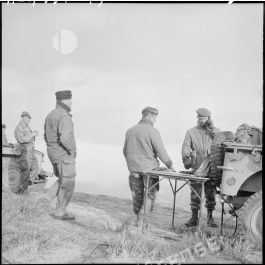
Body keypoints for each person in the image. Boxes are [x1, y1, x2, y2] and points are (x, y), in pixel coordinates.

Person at [123, 106, 175, 227]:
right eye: (155, 117)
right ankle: (142, 222)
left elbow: (125, 151)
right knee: (150, 194)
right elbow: (160, 151)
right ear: (151, 116)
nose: (155, 120)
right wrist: (170, 165)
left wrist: (133, 163)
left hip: (133, 169)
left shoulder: (130, 130)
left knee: (137, 195)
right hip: (149, 170)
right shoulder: (153, 131)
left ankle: (136, 220)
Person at [181, 107, 220, 227]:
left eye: (204, 118)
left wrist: (215, 135)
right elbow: (185, 147)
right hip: (197, 168)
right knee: (195, 193)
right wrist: (186, 160)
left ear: (209, 118)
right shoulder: (191, 132)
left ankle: (210, 218)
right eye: (200, 118)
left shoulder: (216, 131)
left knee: (211, 194)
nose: (202, 120)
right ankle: (194, 218)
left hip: (212, 168)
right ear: (197, 118)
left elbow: (221, 147)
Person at [43, 90, 77, 221]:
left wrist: (53, 147)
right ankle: (60, 212)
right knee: (68, 182)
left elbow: (46, 136)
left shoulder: (50, 115)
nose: (72, 102)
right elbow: (66, 138)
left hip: (53, 153)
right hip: (63, 155)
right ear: (65, 101)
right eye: (70, 100)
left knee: (62, 179)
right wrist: (72, 151)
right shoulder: (64, 116)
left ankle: (45, 199)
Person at [14, 111, 40, 184]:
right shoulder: (19, 127)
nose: (29, 120)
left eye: (29, 118)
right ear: (22, 117)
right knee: (25, 170)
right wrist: (32, 135)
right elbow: (21, 139)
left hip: (30, 152)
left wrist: (33, 134)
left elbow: (29, 139)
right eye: (27, 118)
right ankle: (21, 189)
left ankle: (28, 185)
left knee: (35, 168)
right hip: (25, 152)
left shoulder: (27, 127)